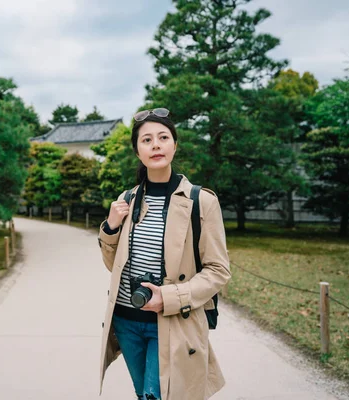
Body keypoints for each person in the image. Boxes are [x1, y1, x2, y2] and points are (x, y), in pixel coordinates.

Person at [97, 108, 231, 400]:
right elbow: (114, 266)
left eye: (163, 137)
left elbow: (218, 270)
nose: (155, 144)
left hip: (172, 320)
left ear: (174, 145)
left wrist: (168, 298)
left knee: (155, 396)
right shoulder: (126, 200)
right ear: (137, 151)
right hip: (126, 319)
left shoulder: (201, 201)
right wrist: (111, 226)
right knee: (144, 394)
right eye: (146, 140)